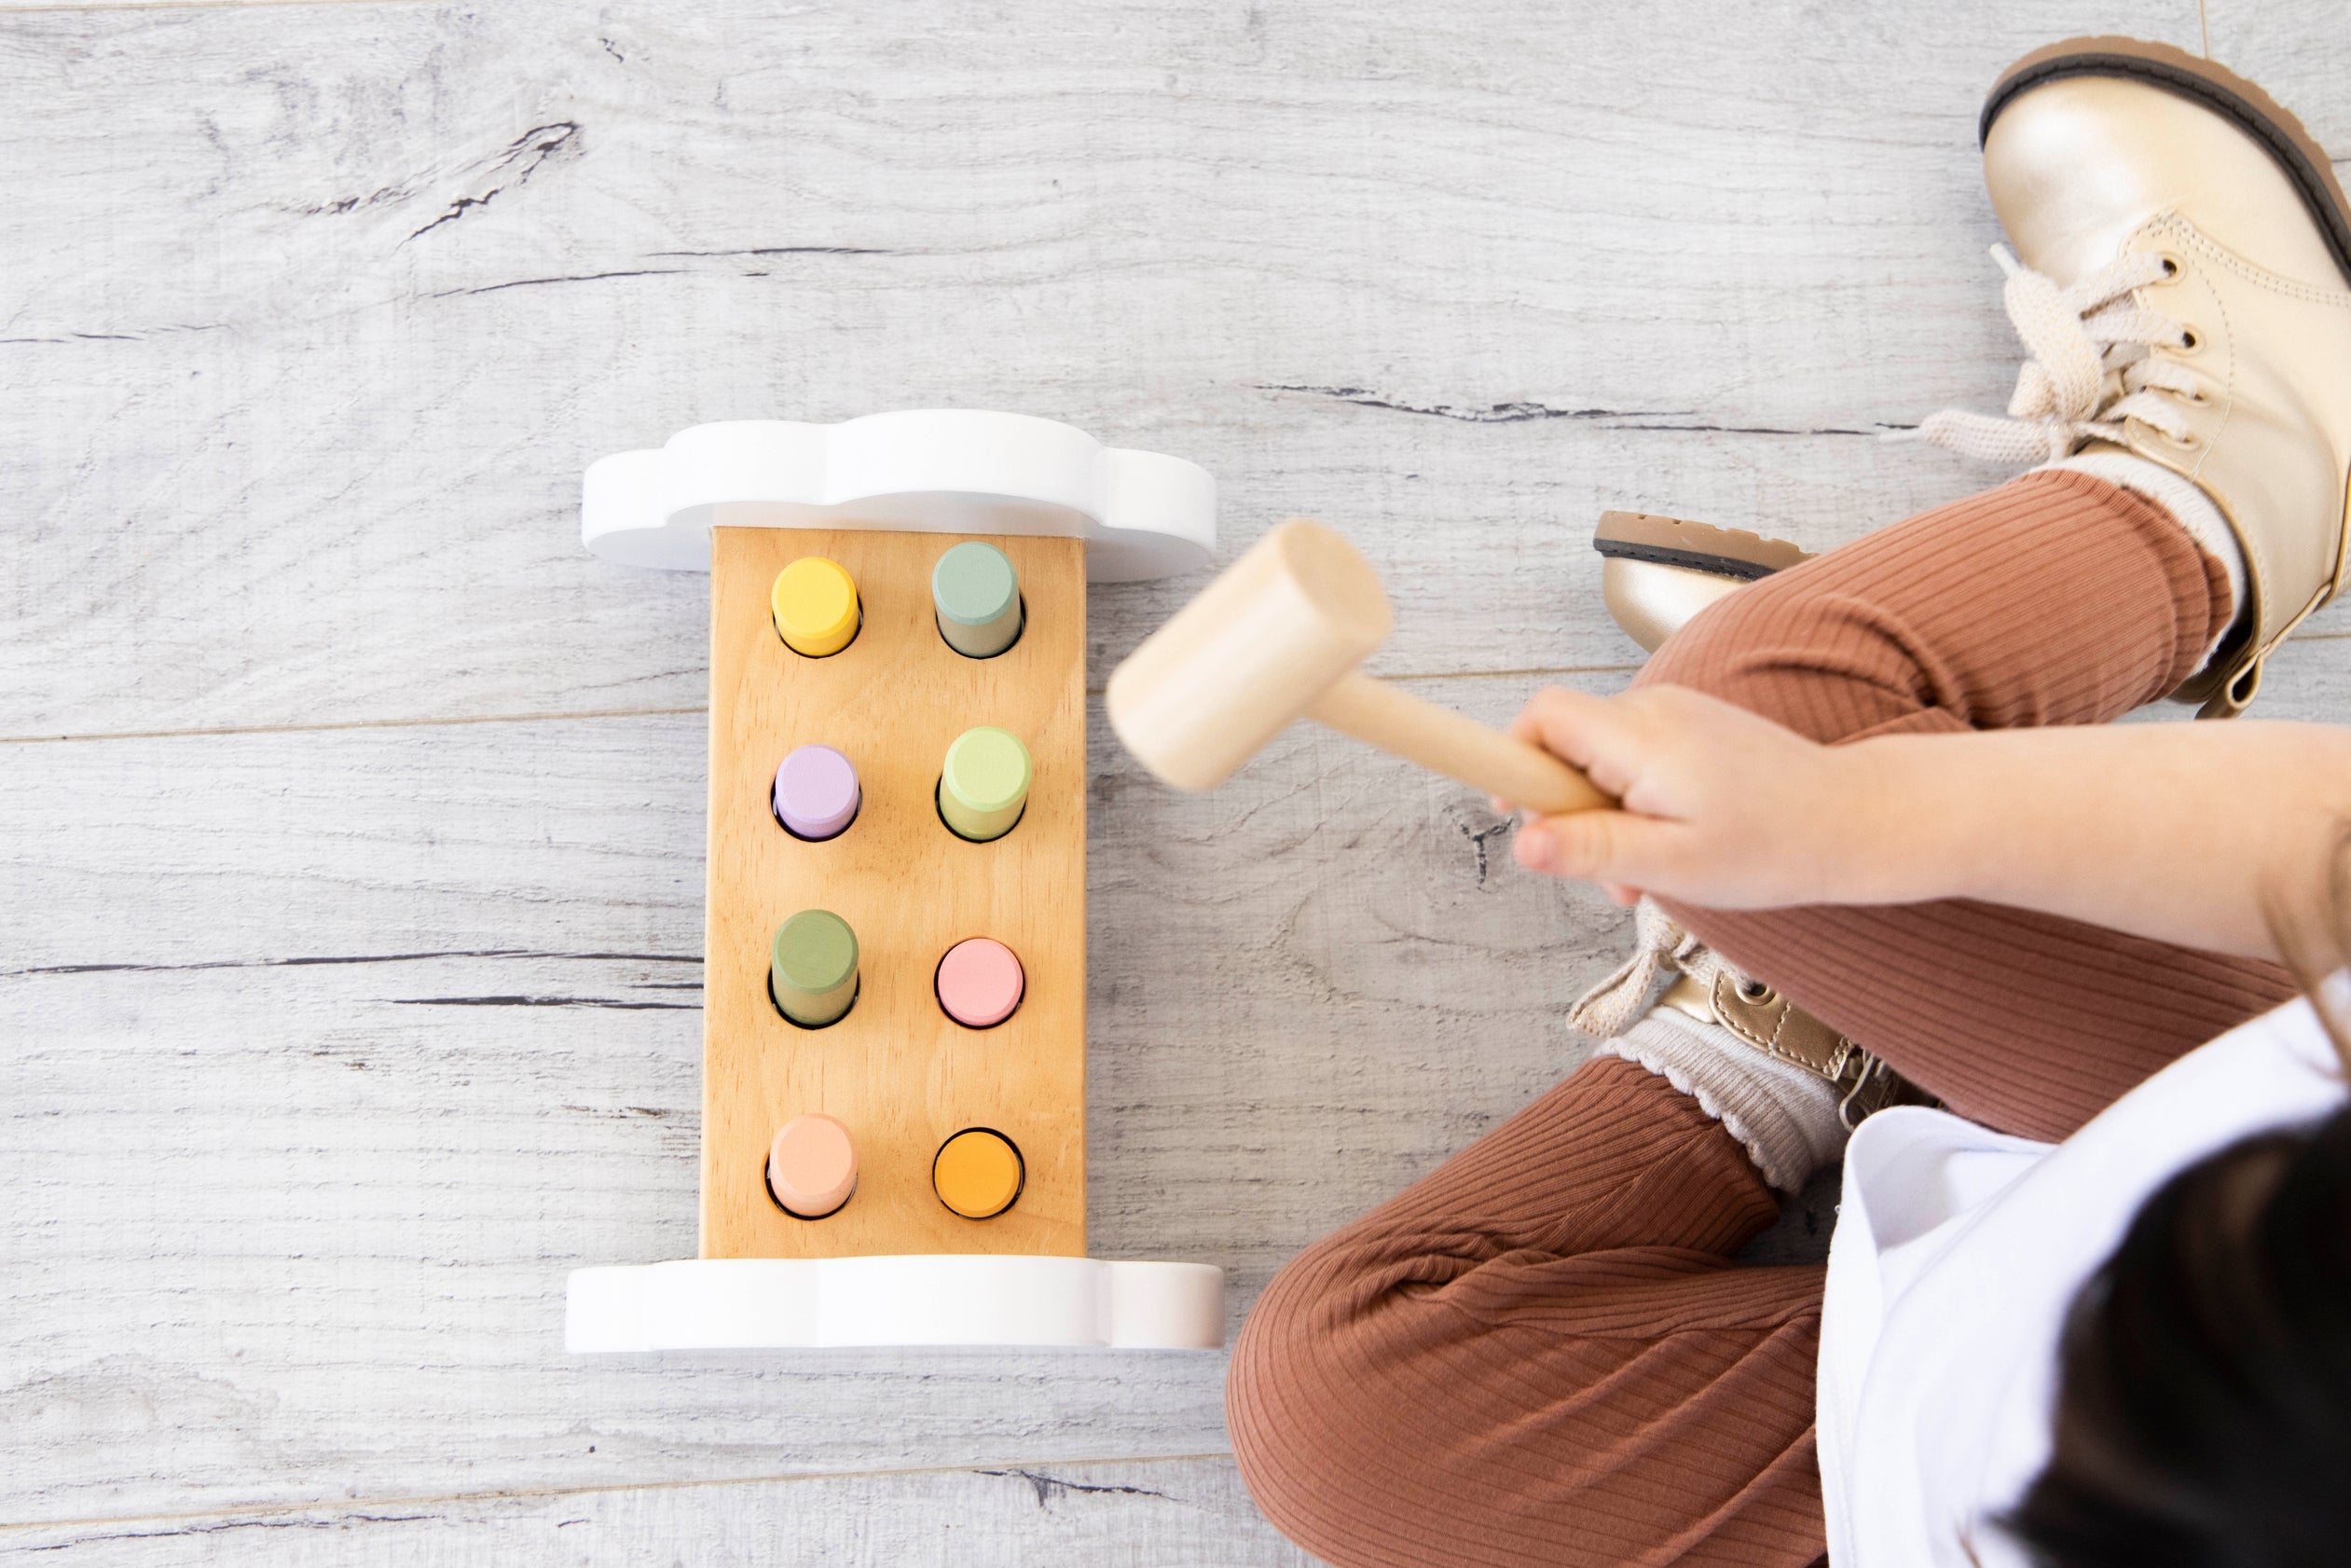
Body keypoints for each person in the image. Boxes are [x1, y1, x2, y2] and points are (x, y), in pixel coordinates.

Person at [1225, 34, 2351, 1568]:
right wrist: (1857, 823)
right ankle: (2233, 495)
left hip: (1955, 1444)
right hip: (2213, 1176)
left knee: (1341, 1423)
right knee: (1762, 706)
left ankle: (1796, 1025)